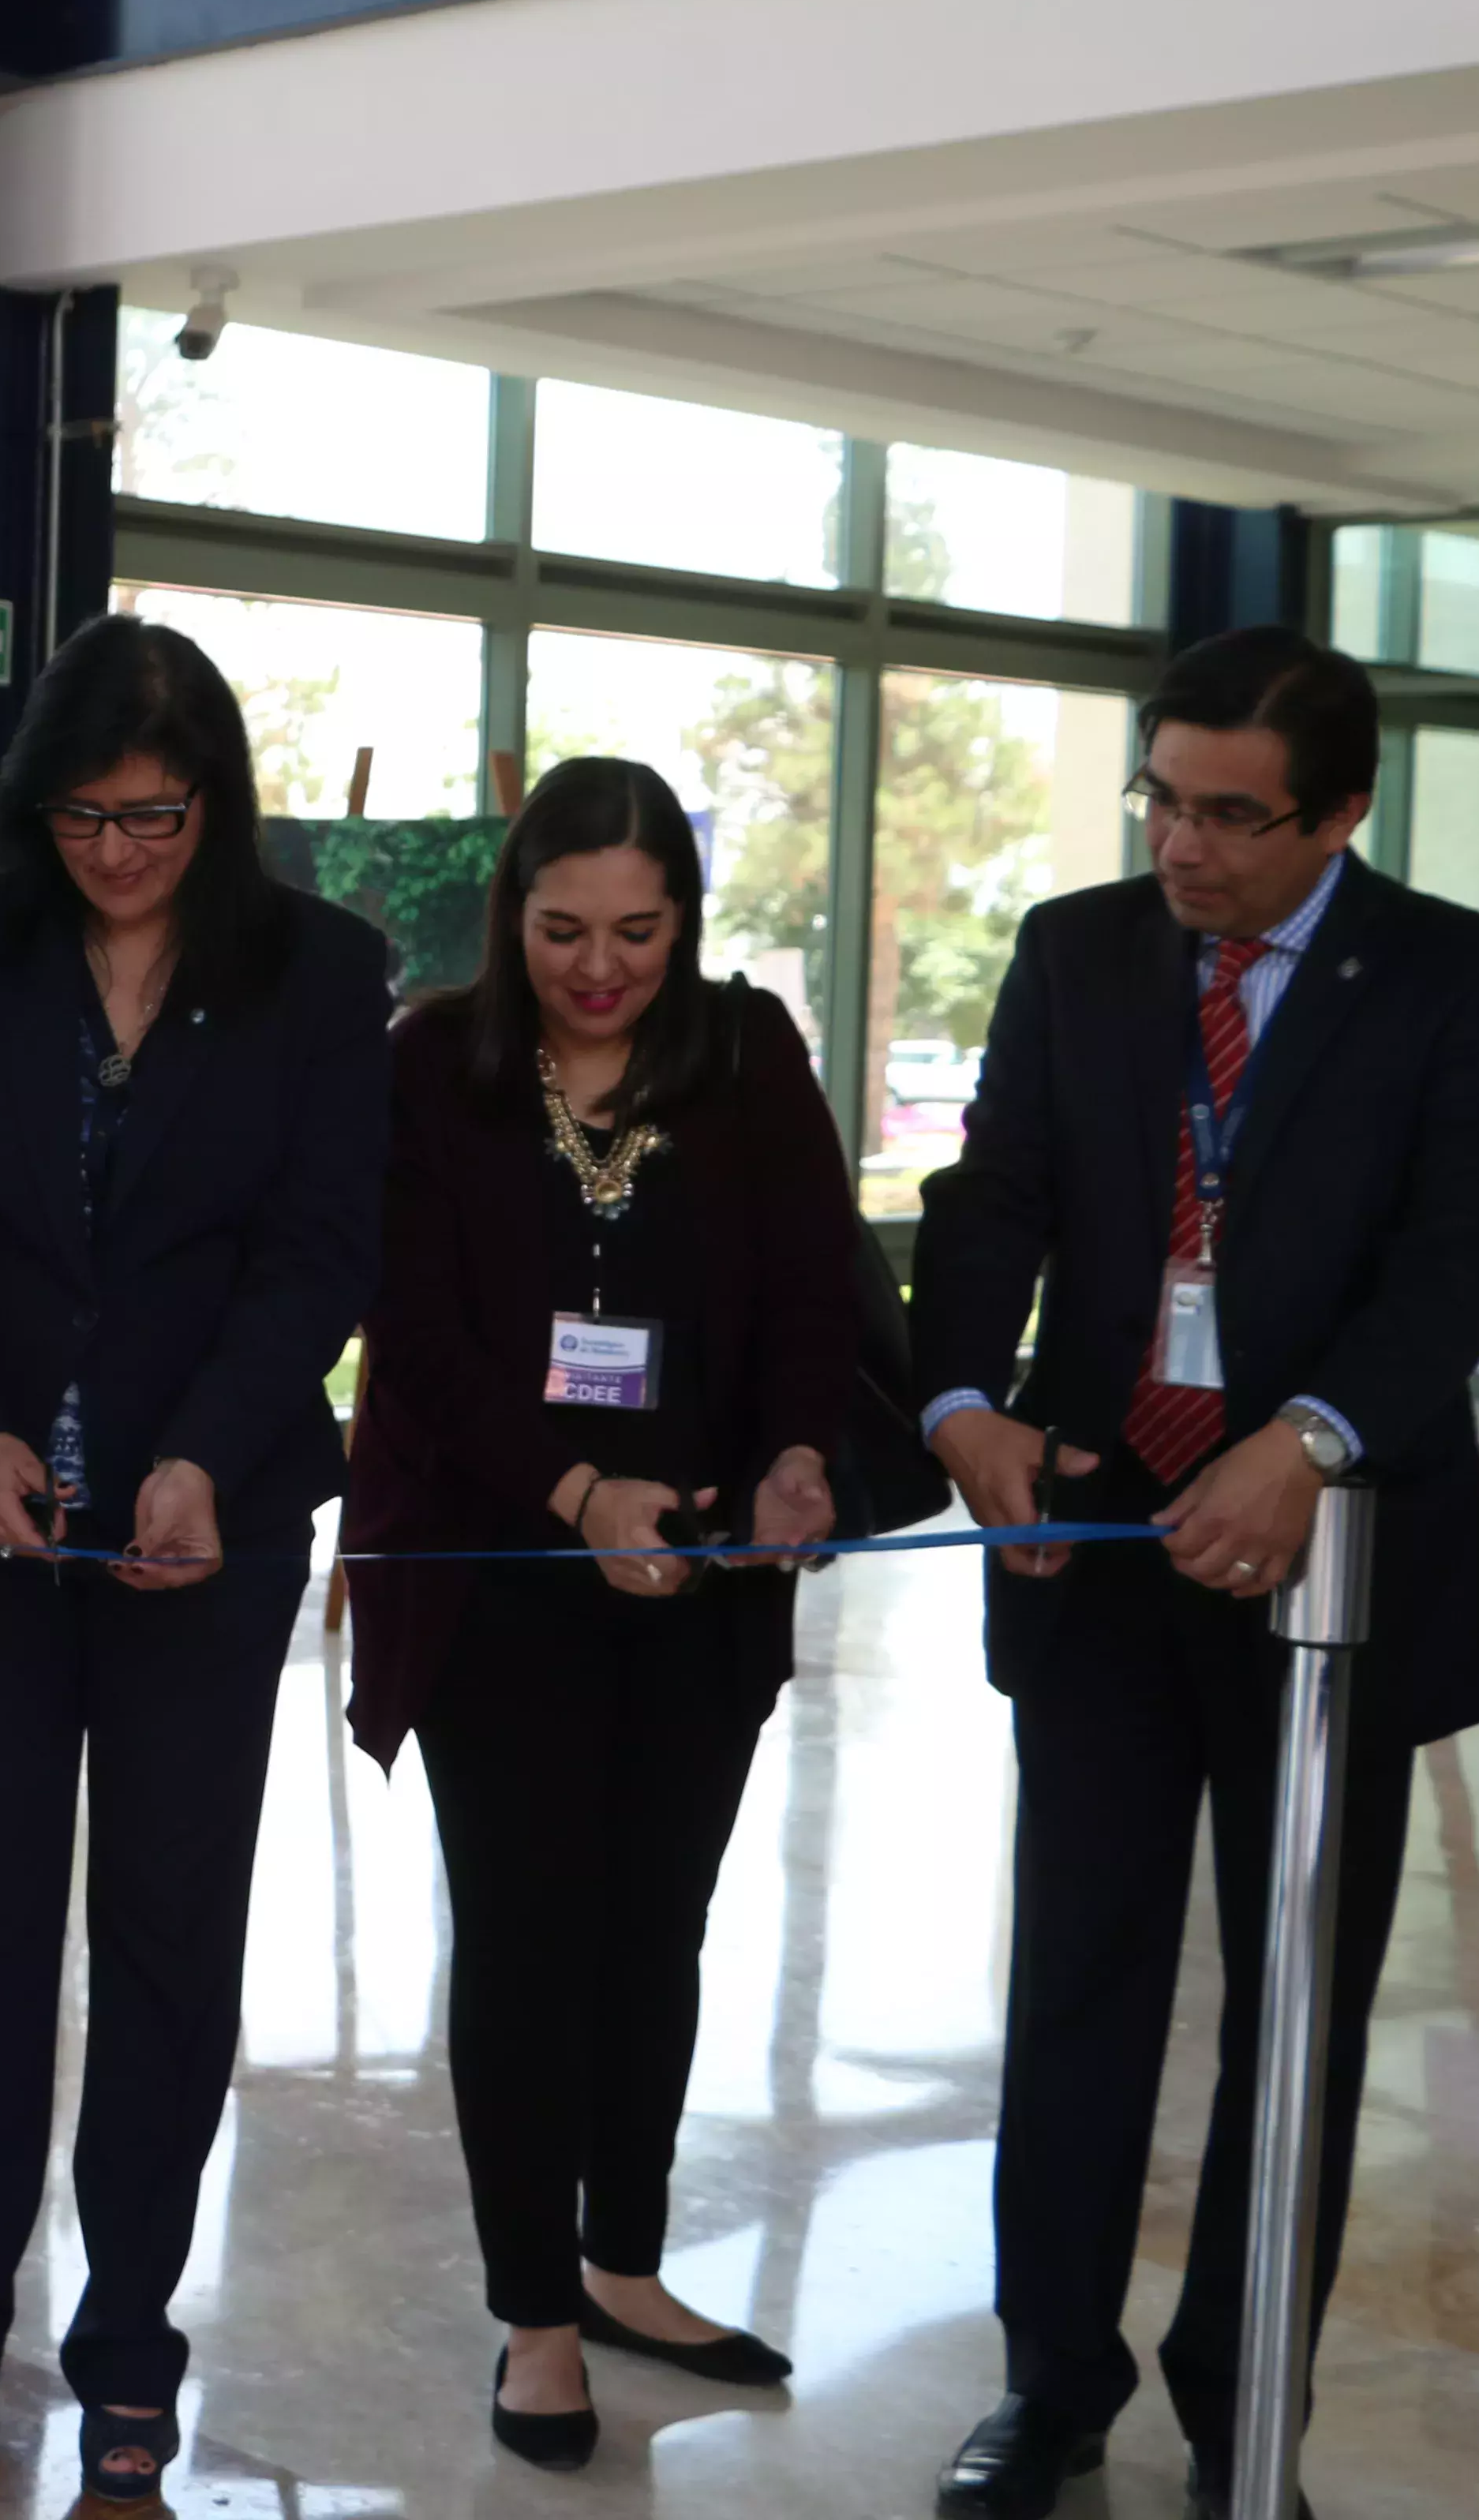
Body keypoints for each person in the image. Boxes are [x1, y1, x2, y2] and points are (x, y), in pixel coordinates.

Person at [913, 626, 1479, 2520]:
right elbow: (992, 1194)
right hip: (1096, 1543)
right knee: (1073, 1980)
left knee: (1297, 2010)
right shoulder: (1075, 949)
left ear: (1338, 812)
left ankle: (1238, 2403)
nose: (1180, 848)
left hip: (1325, 1583)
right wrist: (959, 1405)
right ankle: (1047, 2383)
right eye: (1158, 799)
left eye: (1229, 817)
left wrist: (1310, 1441)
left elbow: (1458, 1251)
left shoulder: (1453, 975)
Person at [0, 619, 387, 2503]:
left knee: (167, 1933)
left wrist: (197, 1458)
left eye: (154, 816)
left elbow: (317, 1249)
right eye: (82, 813)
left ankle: (132, 2331)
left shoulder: (318, 972)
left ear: (216, 807)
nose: (117, 850)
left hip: (202, 1534)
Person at [340, 755, 862, 2472]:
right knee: (530, 1934)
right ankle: (536, 2314)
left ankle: (623, 2260)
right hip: (503, 1579)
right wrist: (575, 1498)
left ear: (685, 925)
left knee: (659, 1929)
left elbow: (812, 1290)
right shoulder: (435, 1066)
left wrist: (795, 1455)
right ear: (514, 915)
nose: (600, 966)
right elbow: (411, 1341)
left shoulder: (748, 1053)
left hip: (700, 1577)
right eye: (564, 929)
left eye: (640, 931)